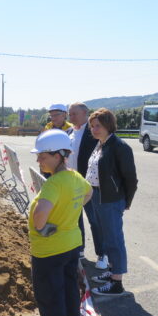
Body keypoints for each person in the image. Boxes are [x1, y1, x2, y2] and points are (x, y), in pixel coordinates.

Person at [23, 130, 92, 316]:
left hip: (49, 252)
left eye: (43, 156)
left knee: (50, 299)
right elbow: (87, 194)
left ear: (59, 155)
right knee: (69, 293)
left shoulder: (53, 184)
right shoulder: (75, 177)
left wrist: (43, 227)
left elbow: (40, 216)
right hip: (71, 246)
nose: (38, 160)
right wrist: (68, 213)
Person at [86, 108, 138, 296]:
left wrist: (126, 201)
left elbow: (131, 179)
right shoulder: (100, 144)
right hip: (97, 196)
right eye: (92, 126)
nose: (94, 129)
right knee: (107, 238)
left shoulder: (119, 146)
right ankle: (111, 271)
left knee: (114, 239)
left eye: (98, 126)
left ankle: (117, 283)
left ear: (108, 125)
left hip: (110, 199)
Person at [67, 102, 106, 268]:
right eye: (70, 114)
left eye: (74, 114)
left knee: (95, 220)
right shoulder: (69, 132)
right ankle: (80, 248)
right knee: (75, 219)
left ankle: (103, 254)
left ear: (85, 114)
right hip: (71, 183)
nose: (71, 117)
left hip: (88, 185)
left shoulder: (93, 134)